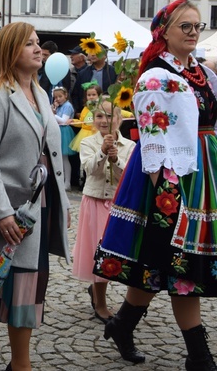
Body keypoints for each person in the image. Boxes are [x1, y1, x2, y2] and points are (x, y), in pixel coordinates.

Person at [94, 0, 217, 369]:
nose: (194, 32)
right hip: (172, 178)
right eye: (186, 27)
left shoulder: (203, 74)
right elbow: (155, 143)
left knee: (161, 264)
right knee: (180, 264)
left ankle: (122, 325)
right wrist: (169, 195)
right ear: (164, 31)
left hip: (204, 170)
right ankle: (199, 356)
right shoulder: (156, 77)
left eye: (198, 26)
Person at [0, 22, 69, 371]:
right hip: (12, 208)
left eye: (38, 43)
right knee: (11, 283)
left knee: (16, 283)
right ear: (11, 50)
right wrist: (0, 211)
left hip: (40, 207)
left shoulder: (41, 92)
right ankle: (20, 364)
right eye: (29, 44)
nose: (38, 49)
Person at [72, 98, 134, 323]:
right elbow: (89, 169)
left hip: (118, 206)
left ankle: (123, 302)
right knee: (98, 253)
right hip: (95, 202)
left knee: (116, 253)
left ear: (119, 119)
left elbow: (128, 176)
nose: (104, 121)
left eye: (110, 116)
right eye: (99, 116)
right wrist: (101, 152)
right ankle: (101, 303)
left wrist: (116, 158)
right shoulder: (88, 143)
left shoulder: (130, 146)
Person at [52, 86, 76, 191]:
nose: (57, 99)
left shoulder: (68, 106)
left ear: (65, 95)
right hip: (58, 130)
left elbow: (63, 120)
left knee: (64, 158)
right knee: (59, 158)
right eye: (55, 97)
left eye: (60, 96)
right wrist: (53, 109)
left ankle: (67, 182)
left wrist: (52, 114)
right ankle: (60, 180)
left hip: (64, 131)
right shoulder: (58, 106)